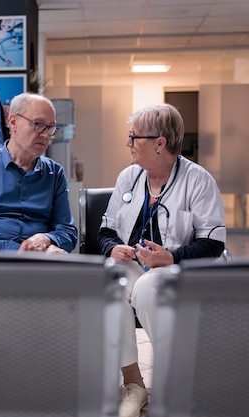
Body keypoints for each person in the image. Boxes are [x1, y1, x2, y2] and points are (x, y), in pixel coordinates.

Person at [97, 103, 226, 417]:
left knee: (150, 287)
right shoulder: (128, 177)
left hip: (184, 273)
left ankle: (178, 380)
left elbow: (213, 243)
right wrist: (113, 248)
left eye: (135, 136)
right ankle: (134, 384)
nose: (128, 142)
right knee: (109, 280)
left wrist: (172, 257)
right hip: (139, 267)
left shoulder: (198, 180)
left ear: (160, 143)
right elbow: (105, 230)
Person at [0, 93, 77, 253]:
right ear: (13, 122)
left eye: (51, 127)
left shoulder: (54, 173)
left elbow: (68, 231)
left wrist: (47, 239)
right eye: (39, 124)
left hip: (38, 265)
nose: (46, 134)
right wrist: (20, 251)